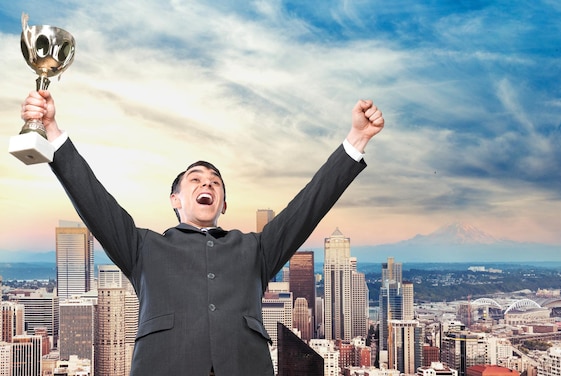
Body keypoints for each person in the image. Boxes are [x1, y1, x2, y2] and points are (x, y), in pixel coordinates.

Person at [21, 90, 384, 375]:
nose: (205, 183)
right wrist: (52, 131)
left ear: (223, 204)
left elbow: (309, 206)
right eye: (195, 179)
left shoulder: (256, 249)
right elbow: (93, 200)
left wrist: (357, 138)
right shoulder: (143, 247)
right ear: (175, 199)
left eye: (215, 182)